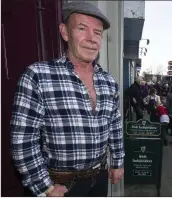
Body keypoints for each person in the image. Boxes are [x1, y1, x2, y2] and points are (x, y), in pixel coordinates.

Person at [10, 2, 124, 197]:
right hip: (59, 186)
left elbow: (115, 126)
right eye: (82, 29)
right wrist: (45, 187)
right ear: (65, 32)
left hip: (99, 179)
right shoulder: (38, 75)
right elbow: (23, 141)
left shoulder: (109, 81)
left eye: (97, 33)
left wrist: (118, 163)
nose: (91, 39)